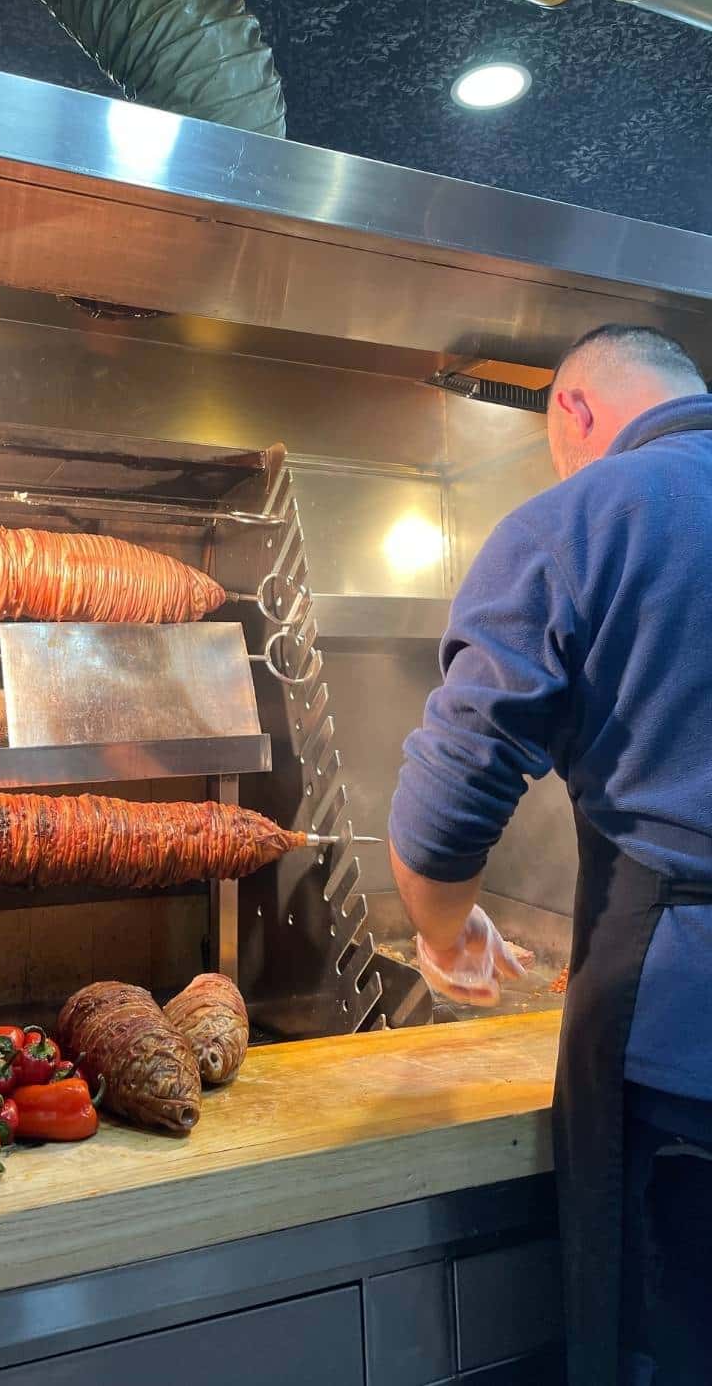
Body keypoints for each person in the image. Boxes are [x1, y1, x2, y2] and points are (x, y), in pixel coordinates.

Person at [388, 324, 712, 1386]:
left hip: (680, 1037)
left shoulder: (583, 516)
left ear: (570, 410)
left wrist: (443, 931)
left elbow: (452, 795)